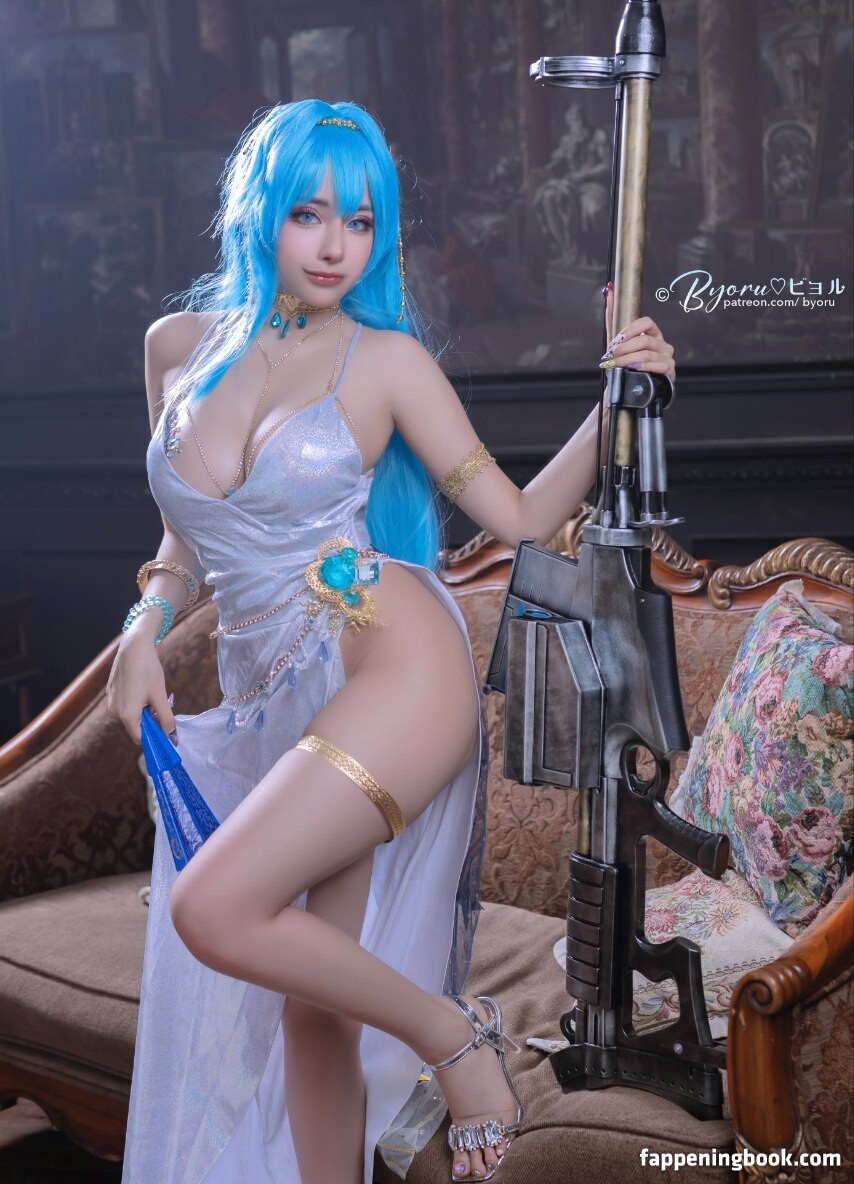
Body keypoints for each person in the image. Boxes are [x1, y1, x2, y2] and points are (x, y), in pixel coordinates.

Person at [108, 98, 676, 1184]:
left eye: (361, 221)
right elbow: (186, 532)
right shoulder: (174, 349)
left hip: (393, 661)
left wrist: (618, 400)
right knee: (309, 1008)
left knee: (210, 907)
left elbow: (518, 519)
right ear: (259, 211)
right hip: (274, 688)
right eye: (310, 213)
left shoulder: (384, 360)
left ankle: (456, 1041)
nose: (336, 245)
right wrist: (144, 623)